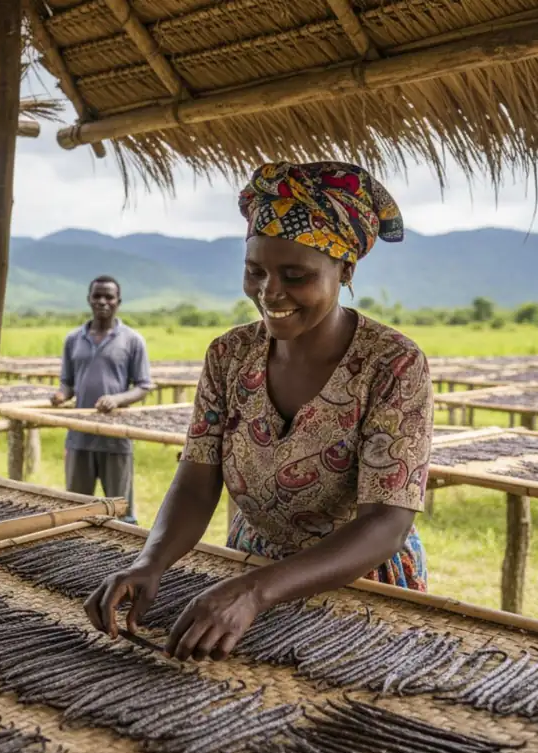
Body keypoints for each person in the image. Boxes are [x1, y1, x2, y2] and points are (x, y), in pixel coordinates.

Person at [84, 161, 433, 662]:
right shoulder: (228, 356)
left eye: (296, 276)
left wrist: (255, 592)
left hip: (358, 582)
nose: (270, 292)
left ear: (346, 271)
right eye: (255, 271)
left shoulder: (393, 364)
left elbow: (386, 523)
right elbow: (197, 479)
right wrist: (151, 561)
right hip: (249, 564)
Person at [51, 275, 153, 524]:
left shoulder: (132, 340)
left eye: (109, 296)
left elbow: (143, 386)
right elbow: (68, 382)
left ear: (118, 301)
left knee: (120, 513)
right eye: (97, 296)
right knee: (75, 510)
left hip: (115, 438)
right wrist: (61, 394)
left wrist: (117, 400)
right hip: (79, 436)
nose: (103, 301)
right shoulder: (73, 339)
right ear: (89, 299)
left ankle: (124, 560)